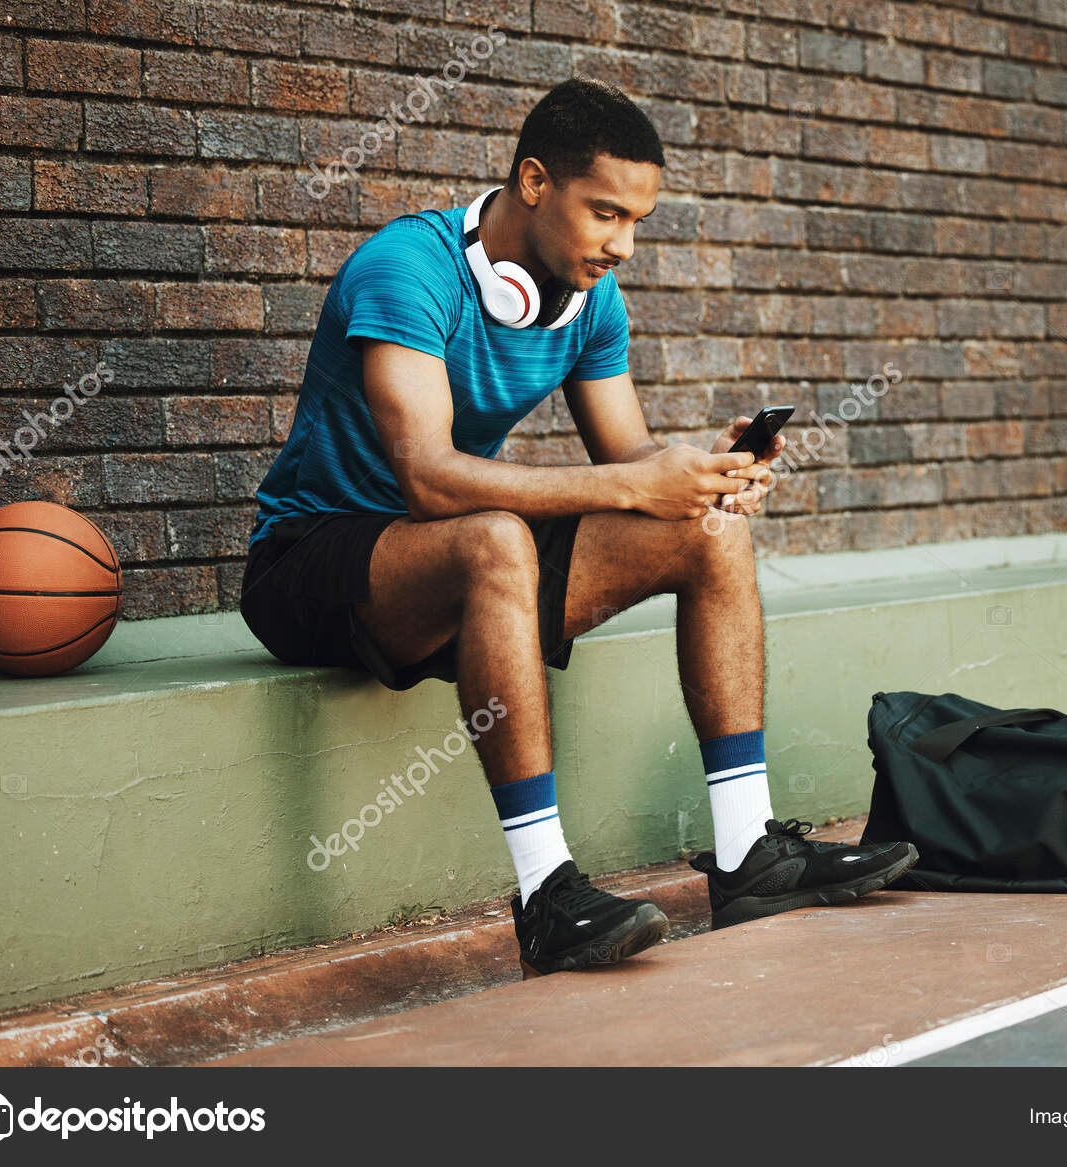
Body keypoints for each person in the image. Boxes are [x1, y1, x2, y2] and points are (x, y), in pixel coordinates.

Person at [240, 77, 917, 976]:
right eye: (605, 213)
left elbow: (627, 452)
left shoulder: (591, 299)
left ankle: (750, 853)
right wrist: (637, 484)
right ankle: (546, 894)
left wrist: (700, 477)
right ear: (532, 182)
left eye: (637, 220)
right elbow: (431, 477)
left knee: (709, 531)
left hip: (461, 565)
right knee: (493, 537)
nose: (623, 244)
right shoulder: (406, 270)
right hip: (315, 563)